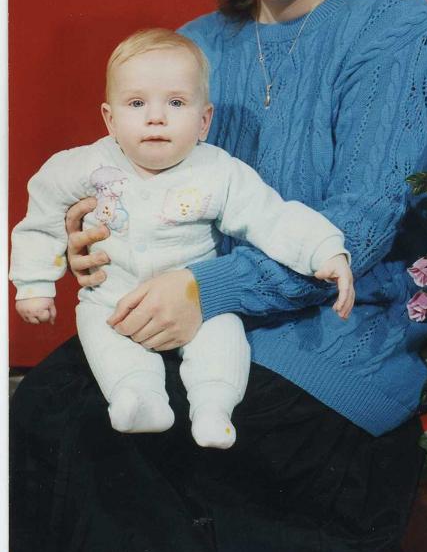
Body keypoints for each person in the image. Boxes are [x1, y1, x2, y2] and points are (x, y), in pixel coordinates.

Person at [10, 0, 427, 552]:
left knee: (118, 445)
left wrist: (203, 290)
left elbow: (364, 222)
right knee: (41, 409)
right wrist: (95, 233)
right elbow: (145, 182)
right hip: (196, 320)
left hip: (335, 338)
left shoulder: (394, 24)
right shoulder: (198, 45)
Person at [10, 28, 352, 449]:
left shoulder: (217, 172)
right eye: (137, 103)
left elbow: (271, 216)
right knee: (102, 335)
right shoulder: (84, 166)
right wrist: (35, 283)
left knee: (224, 336)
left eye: (176, 103)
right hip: (112, 299)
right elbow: (43, 216)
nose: (156, 117)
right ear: (110, 120)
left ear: (204, 121)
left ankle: (214, 407)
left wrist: (323, 249)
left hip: (197, 301)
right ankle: (138, 398)